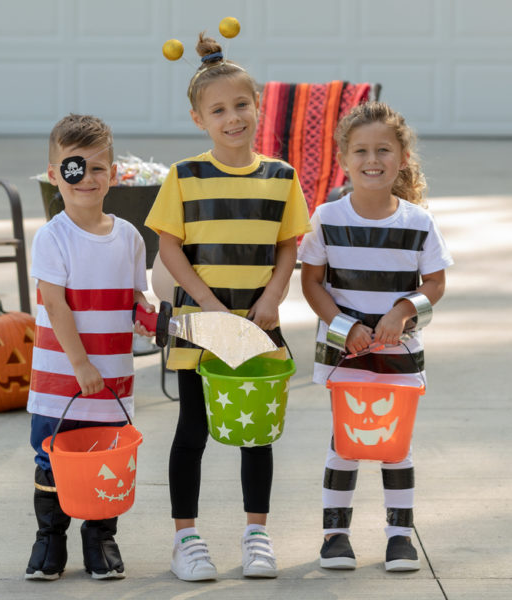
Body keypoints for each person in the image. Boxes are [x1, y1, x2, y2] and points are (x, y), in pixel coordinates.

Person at [145, 33, 311, 581]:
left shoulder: (282, 178)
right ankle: (185, 540)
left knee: (256, 432)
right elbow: (168, 244)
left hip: (259, 323)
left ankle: (256, 535)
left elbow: (289, 244)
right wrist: (208, 303)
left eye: (242, 104)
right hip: (201, 325)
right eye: (218, 110)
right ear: (199, 119)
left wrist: (273, 295)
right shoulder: (185, 177)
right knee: (193, 430)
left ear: (258, 106)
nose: (232, 117)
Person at [298, 101, 453, 572]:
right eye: (361, 151)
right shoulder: (326, 218)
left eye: (383, 150)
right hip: (346, 355)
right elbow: (311, 283)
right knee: (344, 444)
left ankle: (400, 537)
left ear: (402, 157)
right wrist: (345, 329)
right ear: (344, 159)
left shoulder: (418, 223)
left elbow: (436, 284)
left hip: (400, 354)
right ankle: (335, 537)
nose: (372, 160)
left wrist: (403, 311)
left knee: (395, 446)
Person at [25, 113, 155, 581]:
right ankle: (50, 539)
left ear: (114, 175)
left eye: (98, 168)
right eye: (74, 167)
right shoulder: (52, 237)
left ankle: (100, 538)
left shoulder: (130, 238)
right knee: (52, 456)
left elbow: (134, 298)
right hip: (62, 378)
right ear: (56, 174)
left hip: (112, 381)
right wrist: (79, 363)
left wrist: (146, 316)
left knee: (105, 460)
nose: (87, 178)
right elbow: (55, 306)